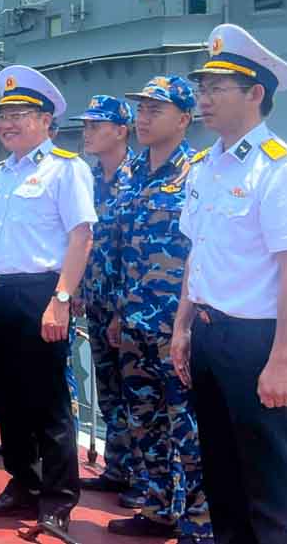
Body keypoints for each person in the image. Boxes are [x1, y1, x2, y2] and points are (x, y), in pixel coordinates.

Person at [174, 24, 287, 544]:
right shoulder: (204, 167)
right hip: (211, 336)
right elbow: (198, 253)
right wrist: (183, 328)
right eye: (202, 88)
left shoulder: (280, 169)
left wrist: (283, 360)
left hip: (259, 339)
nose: (203, 100)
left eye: (216, 89)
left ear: (255, 93)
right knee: (224, 478)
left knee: (273, 484)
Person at [0, 66, 96, 533]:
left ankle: (57, 498)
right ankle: (22, 483)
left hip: (40, 294)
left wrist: (61, 298)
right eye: (4, 115)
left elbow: (81, 238)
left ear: (45, 119)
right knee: (7, 396)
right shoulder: (1, 173)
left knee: (48, 400)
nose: (8, 123)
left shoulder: (65, 168)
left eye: (19, 114)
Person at [105, 76, 212, 543]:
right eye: (140, 109)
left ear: (185, 119)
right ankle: (156, 510)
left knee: (188, 430)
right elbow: (122, 249)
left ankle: (198, 525)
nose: (143, 118)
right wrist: (115, 313)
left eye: (155, 110)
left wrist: (186, 323)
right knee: (143, 421)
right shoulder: (131, 175)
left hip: (178, 324)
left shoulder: (199, 172)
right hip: (133, 320)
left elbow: (203, 249)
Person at [69, 95, 140, 503]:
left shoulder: (138, 178)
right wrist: (77, 287)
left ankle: (145, 481)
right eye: (87, 125)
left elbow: (133, 249)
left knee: (137, 393)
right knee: (110, 390)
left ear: (121, 130)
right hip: (94, 302)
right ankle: (118, 467)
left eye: (97, 125)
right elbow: (82, 240)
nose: (88, 132)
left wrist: (119, 307)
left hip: (130, 308)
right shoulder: (90, 179)